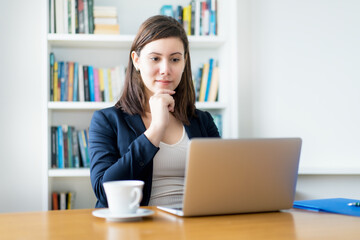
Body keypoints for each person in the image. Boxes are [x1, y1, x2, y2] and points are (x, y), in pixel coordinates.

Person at [89, 15, 220, 208]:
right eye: (155, 58)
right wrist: (155, 130)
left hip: (194, 226)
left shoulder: (202, 120)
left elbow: (222, 181)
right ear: (136, 60)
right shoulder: (107, 120)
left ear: (184, 62)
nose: (165, 69)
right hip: (136, 227)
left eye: (175, 59)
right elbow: (104, 191)